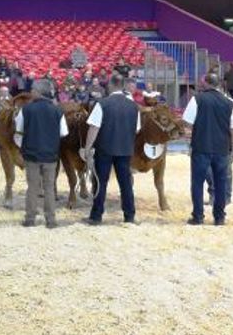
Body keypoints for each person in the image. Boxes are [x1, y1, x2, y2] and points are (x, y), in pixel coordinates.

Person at [183, 73, 233, 226]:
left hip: (201, 147)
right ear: (219, 84)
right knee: (221, 183)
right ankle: (219, 217)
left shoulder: (197, 99)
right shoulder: (231, 103)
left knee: (197, 183)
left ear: (205, 83)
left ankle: (198, 216)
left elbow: (187, 123)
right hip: (222, 149)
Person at [81, 74, 141, 225]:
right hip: (125, 149)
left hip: (104, 149)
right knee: (126, 184)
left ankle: (96, 216)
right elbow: (136, 129)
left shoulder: (102, 104)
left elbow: (94, 128)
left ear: (111, 85)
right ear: (123, 86)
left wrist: (87, 148)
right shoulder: (134, 106)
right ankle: (129, 216)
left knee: (100, 183)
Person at [16, 79, 69, 228]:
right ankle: (51, 220)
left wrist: (23, 147)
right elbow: (64, 133)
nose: (31, 92)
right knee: (49, 188)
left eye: (33, 89)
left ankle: (30, 219)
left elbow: (18, 132)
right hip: (51, 155)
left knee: (32, 187)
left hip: (31, 155)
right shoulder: (58, 111)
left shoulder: (25, 110)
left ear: (38, 92)